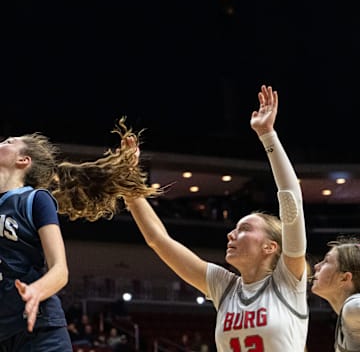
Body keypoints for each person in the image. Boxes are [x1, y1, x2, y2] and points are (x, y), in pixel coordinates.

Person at [122, 85, 309, 351]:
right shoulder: (225, 287)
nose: (230, 234)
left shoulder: (287, 281)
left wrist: (268, 135)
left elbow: (291, 199)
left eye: (244, 229)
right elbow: (158, 240)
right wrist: (130, 188)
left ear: (270, 246)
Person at [0, 118, 158, 351]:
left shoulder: (35, 200)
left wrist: (36, 290)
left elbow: (60, 270)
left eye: (9, 141)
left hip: (40, 330)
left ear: (23, 160)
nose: (3, 141)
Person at [311, 236, 360, 351]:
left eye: (326, 261)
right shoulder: (347, 315)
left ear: (344, 278)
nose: (316, 266)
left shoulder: (352, 307)